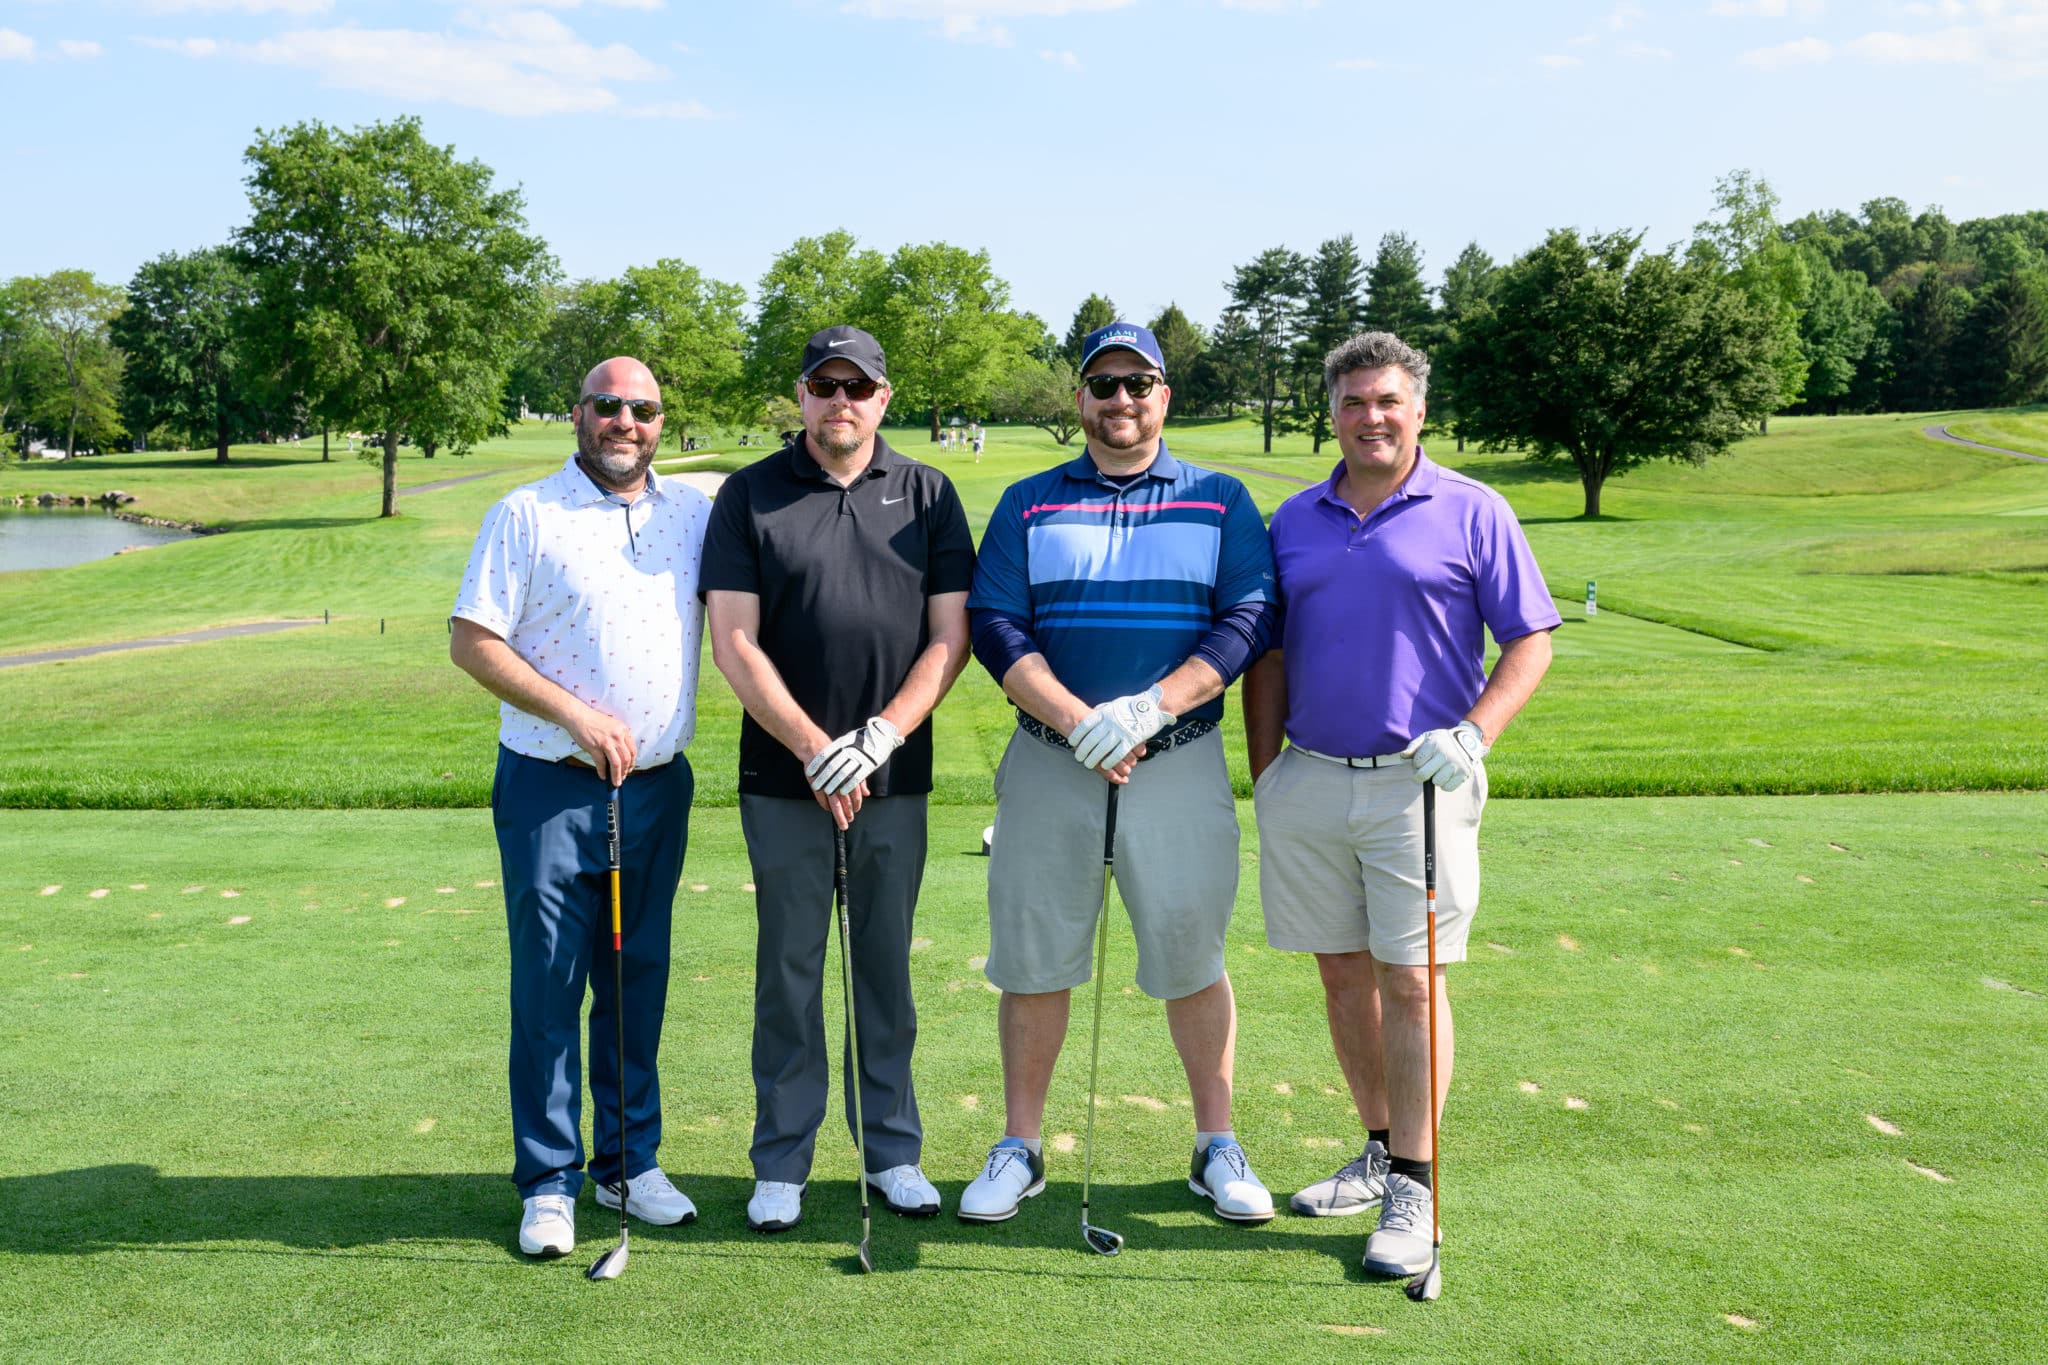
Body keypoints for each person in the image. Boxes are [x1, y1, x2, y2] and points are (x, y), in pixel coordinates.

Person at [1243, 330, 1557, 1276]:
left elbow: (1530, 639)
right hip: (1309, 776)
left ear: (1419, 409)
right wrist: (1267, 772)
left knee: (1413, 981)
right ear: (1331, 414)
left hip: (1423, 782)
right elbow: (1269, 652)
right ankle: (1380, 1150)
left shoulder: (1473, 508)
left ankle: (1417, 1186)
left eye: (1388, 401)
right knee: (1342, 976)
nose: (1371, 417)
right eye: (1353, 401)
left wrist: (1476, 734)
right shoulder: (1294, 519)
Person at [960, 321, 1280, 1225]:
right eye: (1103, 384)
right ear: (1080, 399)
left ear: (1164, 395)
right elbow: (995, 624)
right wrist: (1078, 719)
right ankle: (1020, 1145)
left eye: (1139, 383)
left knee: (1191, 951)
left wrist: (1149, 709)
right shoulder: (1028, 502)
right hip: (1049, 758)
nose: (1122, 399)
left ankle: (1216, 1143)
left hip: (1176, 759)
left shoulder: (1221, 500)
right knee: (1033, 956)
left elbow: (1248, 618)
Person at [702, 325, 976, 1232]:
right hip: (783, 777)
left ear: (883, 397)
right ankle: (781, 1159)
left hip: (893, 776)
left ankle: (892, 1150)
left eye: (858, 387)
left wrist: (880, 735)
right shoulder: (751, 494)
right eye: (825, 385)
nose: (841, 402)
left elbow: (950, 637)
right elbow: (734, 640)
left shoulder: (928, 493)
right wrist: (816, 746)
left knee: (883, 967)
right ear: (802, 394)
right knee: (789, 969)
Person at [450, 357, 712, 1260]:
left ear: (661, 421)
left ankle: (628, 1163)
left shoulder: (692, 514)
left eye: (643, 408)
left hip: (657, 788)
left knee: (637, 980)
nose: (624, 421)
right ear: (578, 414)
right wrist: (577, 715)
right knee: (551, 983)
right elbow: (472, 641)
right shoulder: (526, 514)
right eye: (608, 405)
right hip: (551, 784)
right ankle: (549, 1180)